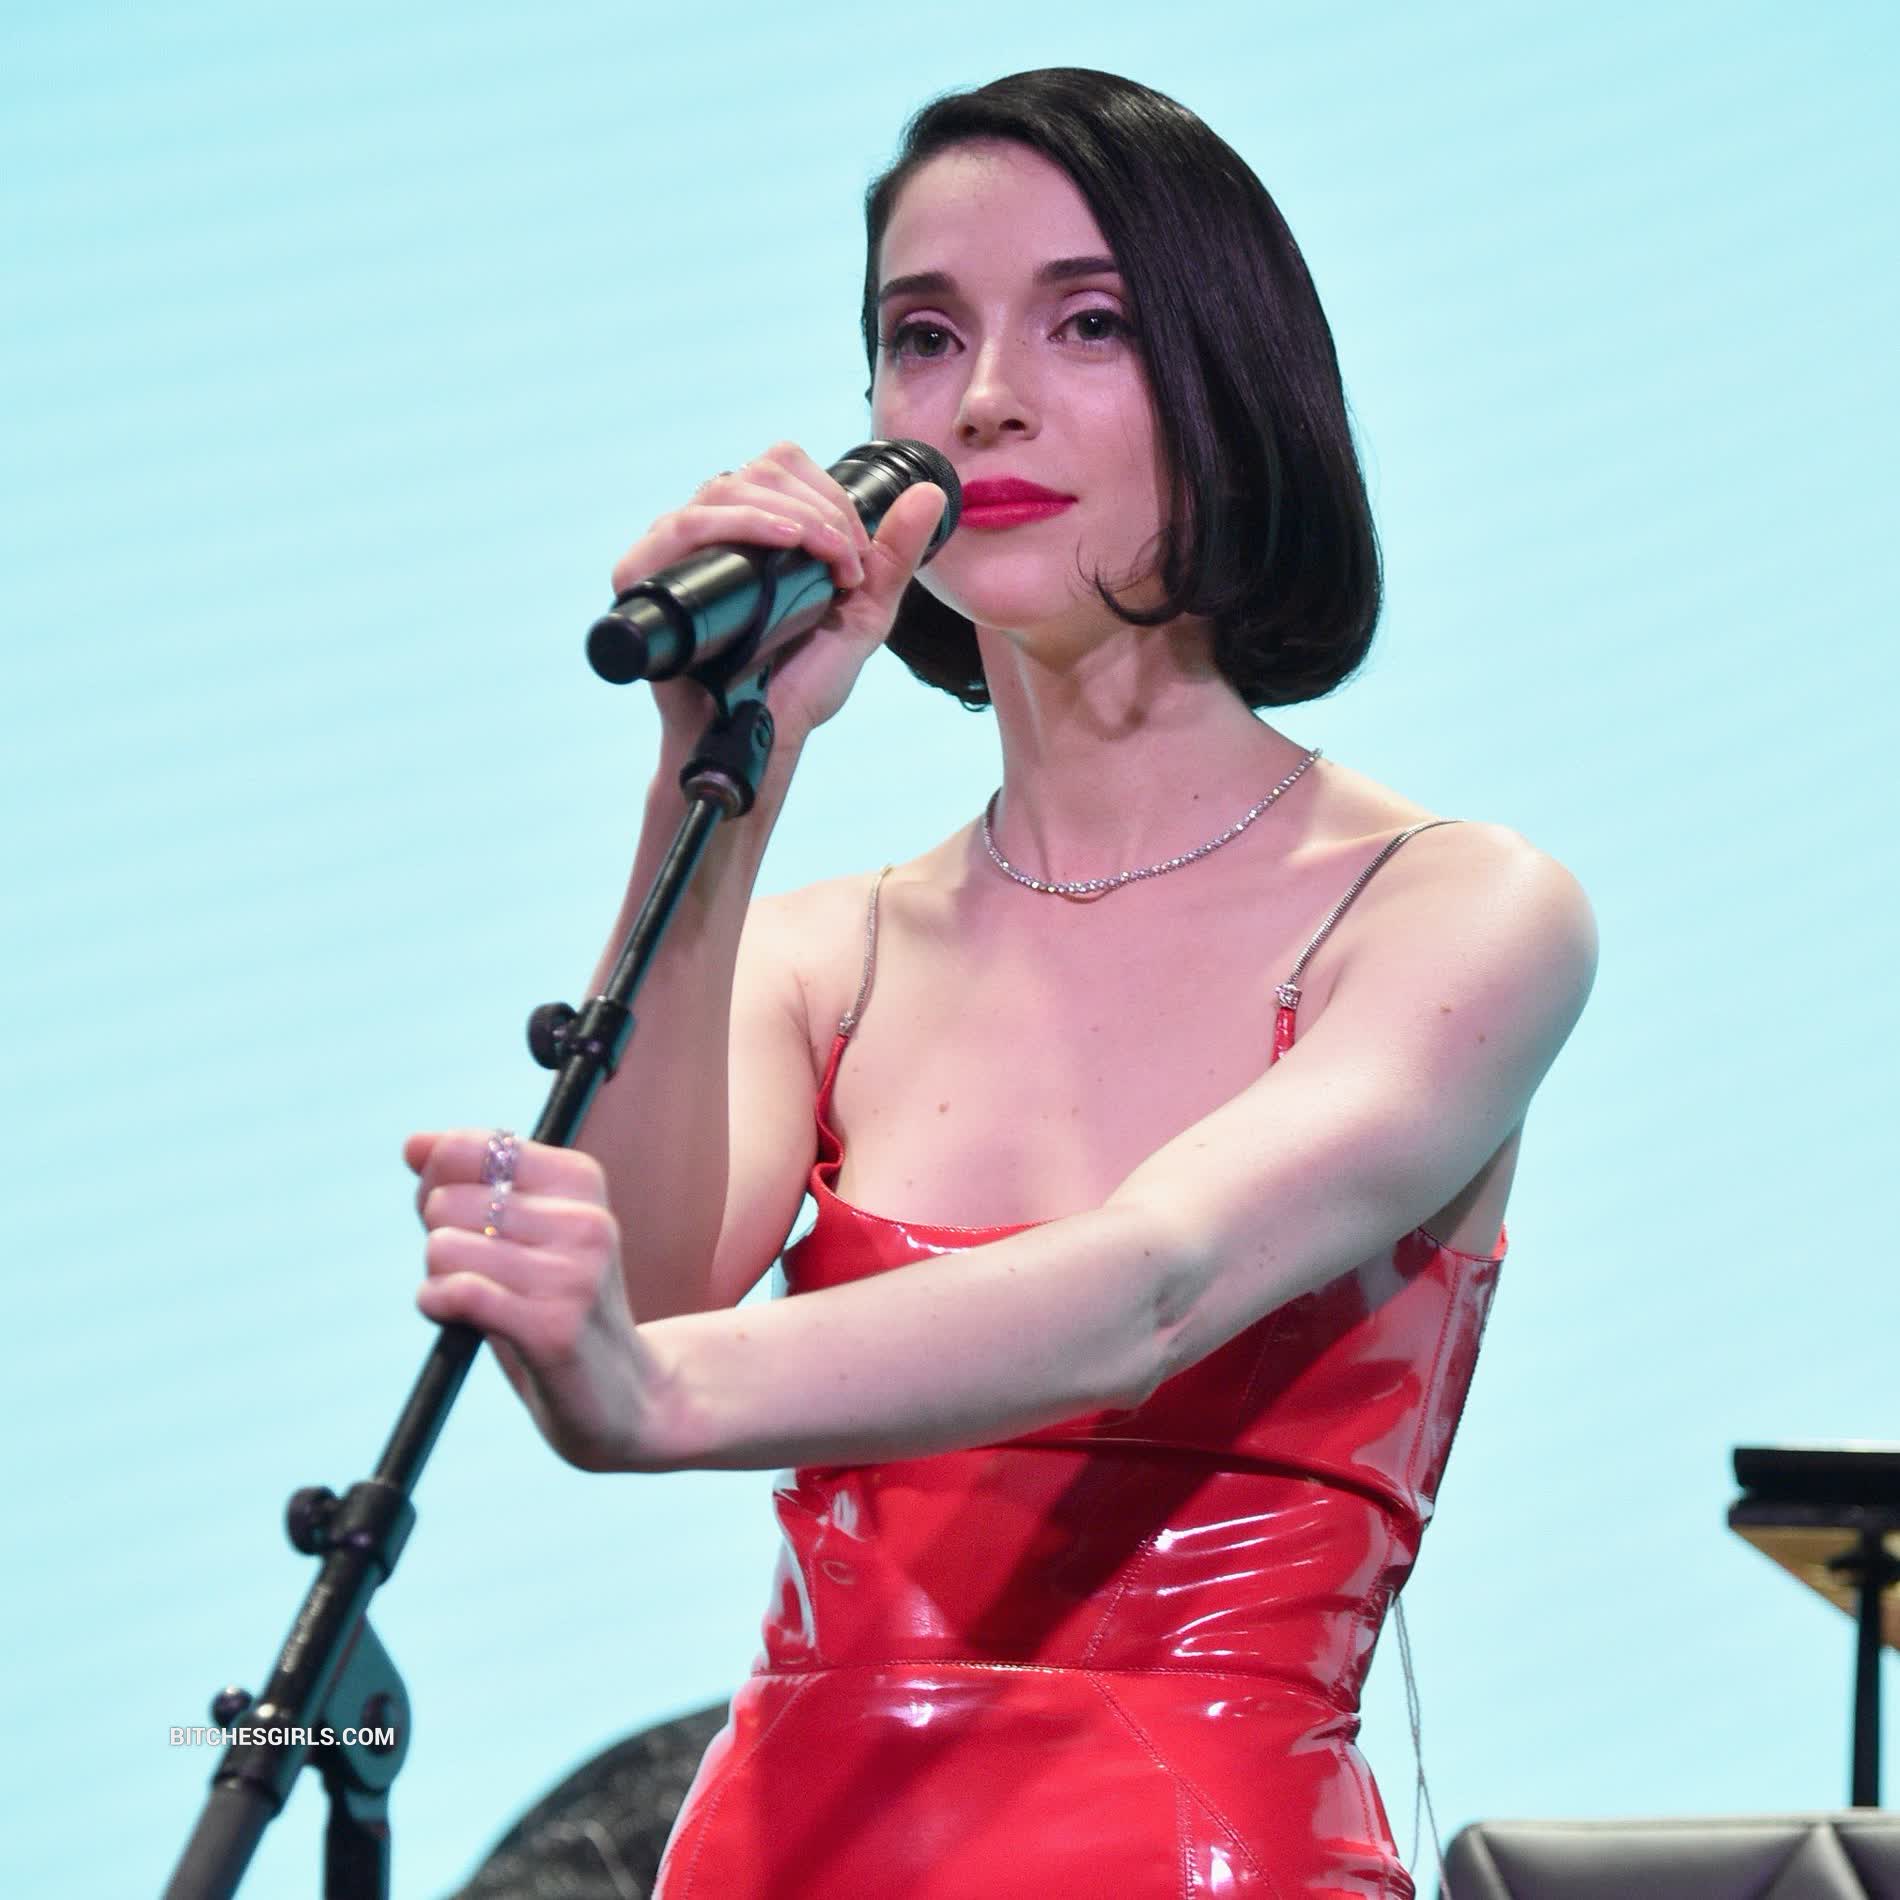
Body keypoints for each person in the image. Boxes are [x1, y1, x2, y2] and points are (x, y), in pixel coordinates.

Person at [405, 66, 1598, 1899]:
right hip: (778, 1851)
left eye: (1088, 322)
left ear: (1237, 385)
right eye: (923, 336)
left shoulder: (1452, 909)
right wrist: (715, 769)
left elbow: (1153, 1284)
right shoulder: (829, 951)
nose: (983, 400)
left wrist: (651, 1400)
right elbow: (650, 1290)